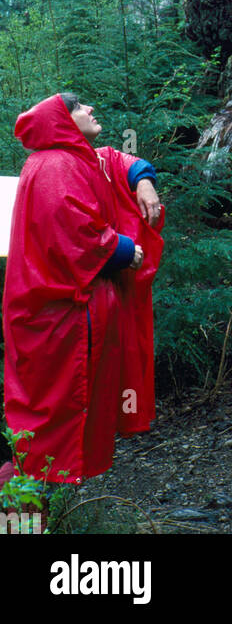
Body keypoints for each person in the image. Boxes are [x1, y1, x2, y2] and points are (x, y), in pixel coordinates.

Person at [0, 93, 165, 492]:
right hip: (59, 321)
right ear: (64, 120)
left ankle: (44, 512)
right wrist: (125, 250)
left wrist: (144, 180)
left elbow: (115, 160)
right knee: (48, 422)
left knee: (52, 421)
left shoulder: (76, 158)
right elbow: (73, 235)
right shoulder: (55, 164)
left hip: (67, 318)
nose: (91, 110)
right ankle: (21, 516)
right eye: (80, 108)